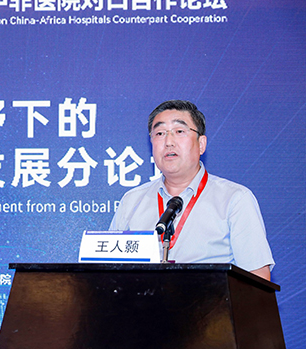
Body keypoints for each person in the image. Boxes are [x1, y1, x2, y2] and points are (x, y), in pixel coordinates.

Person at [109, 100, 274, 280]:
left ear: (201, 144)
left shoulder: (234, 199)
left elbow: (258, 278)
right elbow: (107, 273)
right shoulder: (132, 201)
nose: (169, 142)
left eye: (179, 131)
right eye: (160, 133)